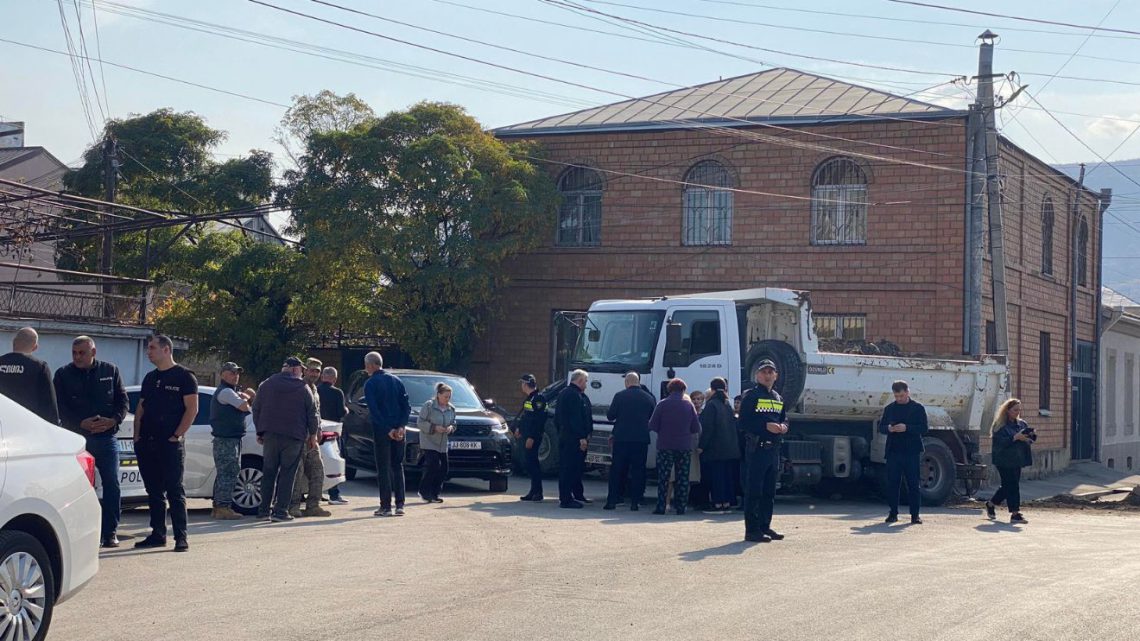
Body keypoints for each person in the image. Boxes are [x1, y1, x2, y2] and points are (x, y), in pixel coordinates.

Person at [54, 335, 128, 548]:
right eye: (74, 353)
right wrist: (80, 423)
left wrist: (113, 420)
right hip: (77, 439)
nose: (77, 357)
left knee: (112, 485)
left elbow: (122, 402)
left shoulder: (110, 371)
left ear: (93, 353)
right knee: (76, 488)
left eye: (82, 353)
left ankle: (110, 532)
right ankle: (77, 535)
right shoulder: (63, 374)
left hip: (106, 438)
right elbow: (58, 407)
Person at [133, 335, 198, 552]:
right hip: (147, 442)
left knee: (174, 490)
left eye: (152, 348)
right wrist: (137, 436)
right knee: (153, 491)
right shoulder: (150, 378)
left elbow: (192, 409)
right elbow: (141, 408)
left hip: (170, 444)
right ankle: (158, 533)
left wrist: (177, 435)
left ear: (166, 350)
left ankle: (181, 536)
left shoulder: (184, 376)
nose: (148, 352)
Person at [253, 357, 319, 523]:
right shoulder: (303, 387)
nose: (302, 372)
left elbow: (256, 409)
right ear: (295, 369)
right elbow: (312, 413)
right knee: (288, 473)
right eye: (301, 369)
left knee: (268, 473)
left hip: (270, 435)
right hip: (293, 436)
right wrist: (313, 435)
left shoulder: (266, 384)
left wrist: (260, 431)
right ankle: (280, 511)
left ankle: (263, 511)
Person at [738, 360, 789, 542]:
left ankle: (764, 526)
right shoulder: (751, 396)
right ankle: (751, 530)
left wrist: (783, 426)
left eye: (770, 372)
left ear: (776, 376)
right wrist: (765, 426)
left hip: (773, 450)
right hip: (757, 448)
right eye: (764, 372)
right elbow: (743, 422)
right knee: (755, 491)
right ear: (757, 375)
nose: (767, 375)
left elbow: (785, 419)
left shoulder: (778, 397)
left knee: (769, 491)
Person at [363, 352, 411, 517]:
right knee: (397, 466)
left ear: (371, 365)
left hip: (382, 431)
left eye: (366, 365)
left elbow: (374, 411)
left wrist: (388, 429)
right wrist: (401, 426)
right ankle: (400, 505)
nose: (366, 368)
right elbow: (406, 406)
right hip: (398, 430)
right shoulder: (397, 381)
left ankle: (385, 506)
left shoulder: (370, 384)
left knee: (383, 468)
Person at [878, 380, 929, 525]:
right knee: (893, 484)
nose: (899, 399)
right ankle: (893, 513)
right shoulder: (889, 409)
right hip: (893, 451)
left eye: (901, 395)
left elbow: (924, 428)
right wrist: (889, 428)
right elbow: (881, 427)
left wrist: (906, 428)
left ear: (907, 392)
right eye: (896, 396)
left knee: (913, 484)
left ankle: (915, 515)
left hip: (911, 451)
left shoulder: (917, 408)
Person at [649, 378, 701, 515]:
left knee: (664, 477)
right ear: (683, 390)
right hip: (684, 446)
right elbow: (696, 427)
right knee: (683, 477)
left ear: (669, 390)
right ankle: (681, 507)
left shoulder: (662, 404)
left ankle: (661, 507)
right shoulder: (689, 406)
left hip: (665, 445)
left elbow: (652, 425)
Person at [208, 362, 253, 520]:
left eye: (237, 373)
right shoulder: (226, 392)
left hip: (231, 439)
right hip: (226, 440)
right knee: (228, 472)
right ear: (223, 374)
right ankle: (222, 507)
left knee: (227, 472)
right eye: (232, 373)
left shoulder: (230, 391)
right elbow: (244, 407)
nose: (236, 376)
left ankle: (220, 506)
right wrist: (248, 396)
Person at [604, 372, 655, 511]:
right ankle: (635, 502)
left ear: (626, 382)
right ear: (638, 382)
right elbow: (653, 416)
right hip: (641, 439)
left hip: (622, 438)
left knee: (617, 470)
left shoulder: (620, 396)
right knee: (638, 470)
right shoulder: (648, 398)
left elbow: (610, 416)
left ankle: (612, 501)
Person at [289, 358, 331, 518]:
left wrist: (317, 430)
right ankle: (292, 506)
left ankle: (313, 505)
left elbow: (316, 413)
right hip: (298, 438)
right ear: (305, 370)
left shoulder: (315, 389)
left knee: (317, 471)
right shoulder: (298, 387)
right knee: (296, 474)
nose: (314, 374)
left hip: (311, 439)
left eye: (317, 371)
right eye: (312, 370)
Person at [985, 398, 1036, 524]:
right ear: (1007, 411)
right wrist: (1015, 437)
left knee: (1008, 486)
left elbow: (1031, 440)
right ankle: (1015, 514)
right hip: (1003, 459)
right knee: (1012, 485)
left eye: (1019, 409)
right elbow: (999, 443)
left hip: (1016, 459)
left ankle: (991, 504)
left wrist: (1030, 436)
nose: (1017, 412)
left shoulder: (1022, 424)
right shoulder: (1000, 425)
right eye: (1015, 410)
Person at [0, 327, 59, 424]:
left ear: (13, 342)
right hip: (28, 427)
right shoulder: (40, 367)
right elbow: (49, 405)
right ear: (35, 347)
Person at [699, 377, 740, 514]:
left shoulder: (711, 405)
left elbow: (707, 428)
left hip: (715, 449)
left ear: (712, 389)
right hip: (729, 448)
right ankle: (726, 503)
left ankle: (717, 504)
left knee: (716, 477)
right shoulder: (727, 404)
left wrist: (701, 446)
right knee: (726, 476)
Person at [554, 369, 593, 509]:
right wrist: (581, 437)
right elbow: (574, 419)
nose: (586, 384)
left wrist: (588, 432)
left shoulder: (579, 395)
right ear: (580, 380)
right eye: (586, 381)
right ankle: (565, 499)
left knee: (577, 468)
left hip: (572, 437)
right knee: (568, 468)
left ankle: (578, 494)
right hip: (572, 439)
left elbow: (585, 416)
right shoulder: (571, 395)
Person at [417, 382, 456, 503]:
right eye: (445, 396)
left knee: (444, 468)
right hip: (429, 440)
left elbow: (454, 423)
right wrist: (434, 427)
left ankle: (435, 493)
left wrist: (450, 428)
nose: (447, 399)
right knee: (433, 465)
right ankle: (424, 491)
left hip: (443, 443)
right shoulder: (428, 406)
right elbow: (420, 422)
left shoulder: (451, 408)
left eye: (449, 397)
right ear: (438, 395)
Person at [318, 366, 350, 505]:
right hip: (332, 433)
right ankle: (334, 495)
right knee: (332, 463)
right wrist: (346, 410)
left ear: (322, 376)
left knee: (316, 463)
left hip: (316, 431)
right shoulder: (337, 393)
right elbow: (341, 412)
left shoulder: (315, 390)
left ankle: (317, 493)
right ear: (334, 379)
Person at [515, 374, 547, 502]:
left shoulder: (539, 399)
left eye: (522, 383)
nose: (521, 386)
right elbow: (526, 417)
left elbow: (539, 420)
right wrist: (519, 429)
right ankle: (533, 491)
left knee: (533, 464)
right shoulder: (530, 398)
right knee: (529, 463)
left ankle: (538, 492)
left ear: (525, 384)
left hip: (533, 437)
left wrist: (532, 437)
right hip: (527, 435)